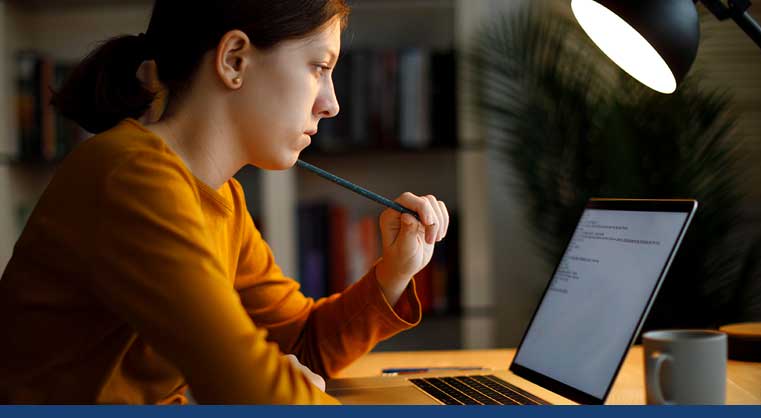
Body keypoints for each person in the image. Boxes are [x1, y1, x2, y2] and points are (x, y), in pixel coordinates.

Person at [0, 0, 449, 404]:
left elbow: (299, 344)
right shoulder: (132, 177)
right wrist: (288, 390)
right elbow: (251, 391)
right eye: (318, 67)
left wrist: (394, 273)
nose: (331, 104)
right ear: (234, 60)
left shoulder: (221, 196)